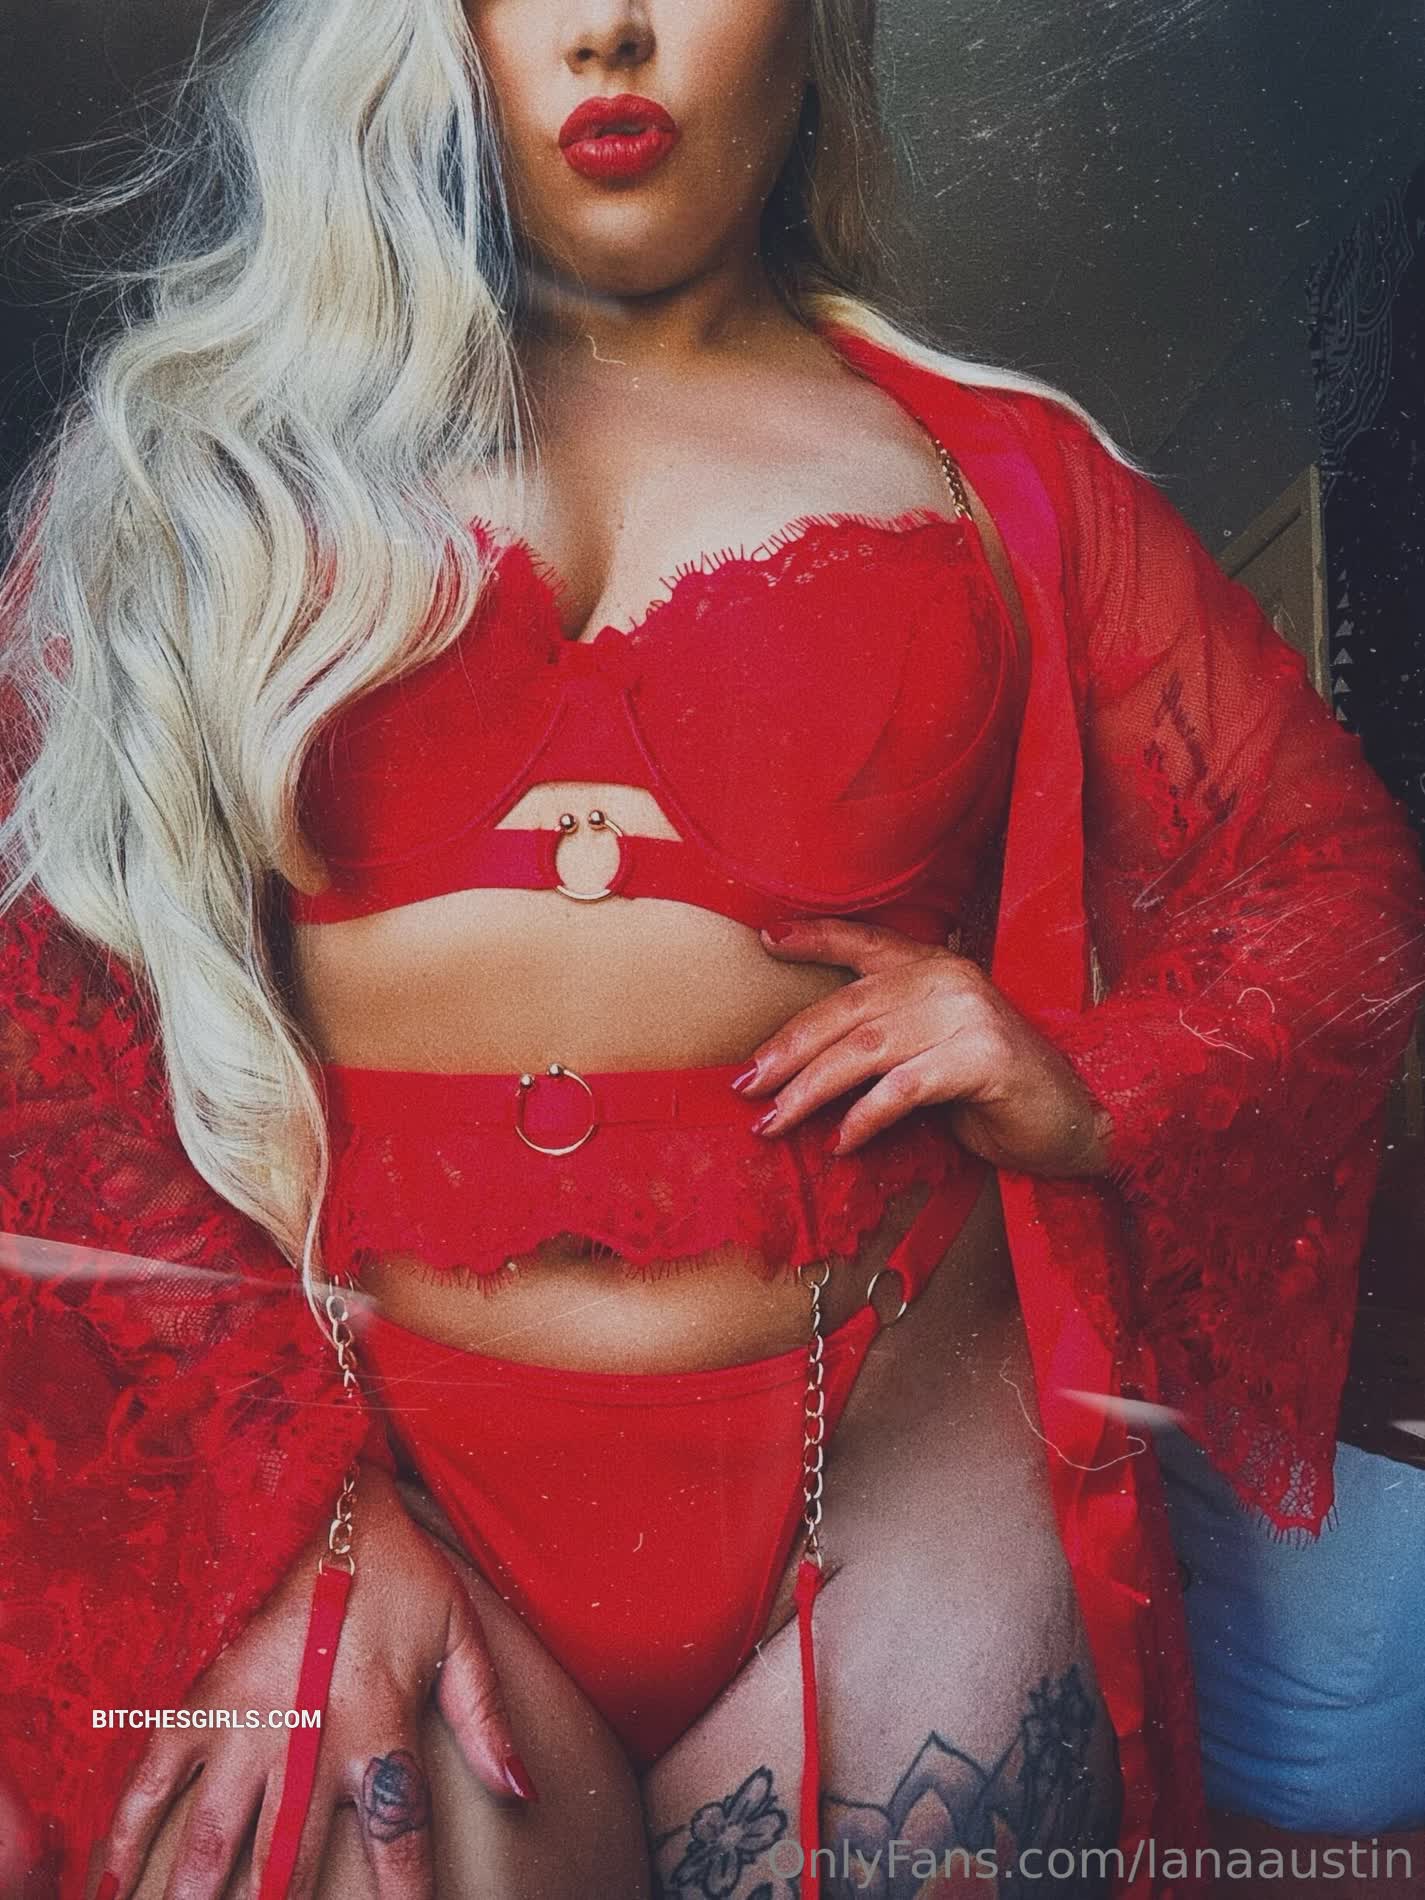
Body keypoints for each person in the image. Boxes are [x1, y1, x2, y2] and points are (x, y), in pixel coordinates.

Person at [2, 2, 1422, 1897]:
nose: (610, 29)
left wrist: (1096, 1078)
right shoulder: (200, 470)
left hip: (891, 1484)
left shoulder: (1000, 473)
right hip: (377, 1486)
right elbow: (36, 1029)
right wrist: (289, 1512)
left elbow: (1330, 881)